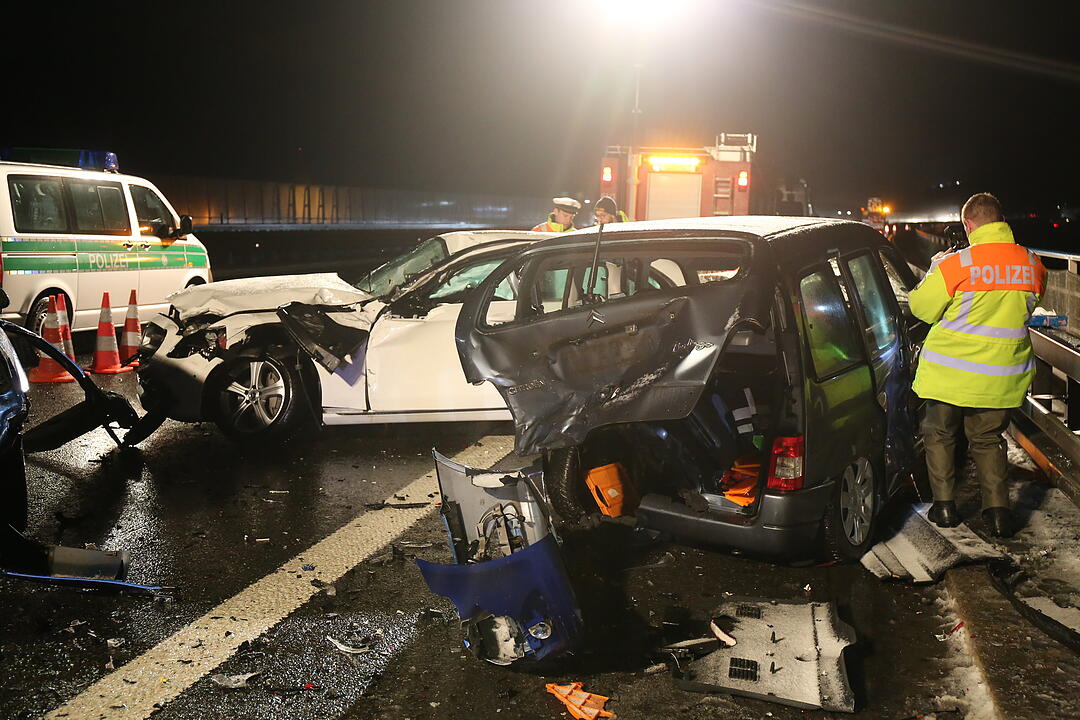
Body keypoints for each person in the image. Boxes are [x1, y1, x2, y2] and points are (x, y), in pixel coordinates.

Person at [909, 193, 1047, 537]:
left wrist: (933, 271)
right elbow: (1028, 306)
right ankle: (998, 513)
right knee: (987, 439)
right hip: (999, 376)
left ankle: (943, 508)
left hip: (948, 373)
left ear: (968, 225)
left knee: (939, 435)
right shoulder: (1032, 264)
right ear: (1001, 222)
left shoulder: (956, 264)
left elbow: (920, 309)